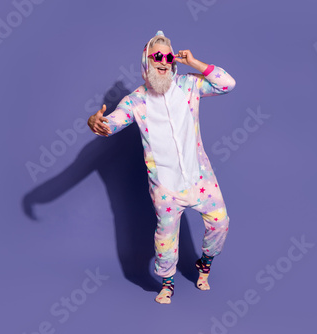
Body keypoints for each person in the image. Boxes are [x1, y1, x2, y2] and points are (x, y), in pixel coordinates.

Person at [87, 30, 236, 304]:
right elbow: (112, 123)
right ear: (146, 61)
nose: (164, 60)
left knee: (221, 224)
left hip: (200, 179)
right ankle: (167, 283)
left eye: (168, 55)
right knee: (166, 241)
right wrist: (96, 123)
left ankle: (204, 265)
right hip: (165, 188)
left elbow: (227, 84)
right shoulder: (135, 101)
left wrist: (195, 62)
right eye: (158, 56)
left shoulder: (189, 86)